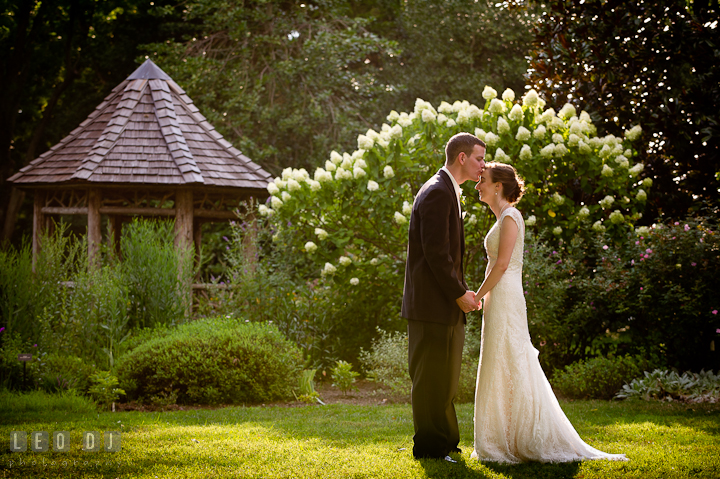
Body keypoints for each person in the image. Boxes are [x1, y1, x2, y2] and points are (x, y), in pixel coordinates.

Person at [471, 162, 627, 463]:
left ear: (499, 186)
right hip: (498, 297)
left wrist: (476, 295)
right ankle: (503, 436)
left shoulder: (511, 217)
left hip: (506, 297)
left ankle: (526, 437)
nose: (478, 186)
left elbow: (502, 265)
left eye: (483, 181)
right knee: (500, 360)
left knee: (512, 359)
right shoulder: (502, 217)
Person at [401, 132, 485, 462]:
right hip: (431, 306)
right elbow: (436, 254)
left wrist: (459, 295)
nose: (483, 165)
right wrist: (459, 294)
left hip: (444, 305)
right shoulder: (437, 191)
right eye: (479, 158)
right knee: (430, 380)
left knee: (446, 380)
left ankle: (447, 441)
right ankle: (430, 448)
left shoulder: (448, 189)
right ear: (462, 158)